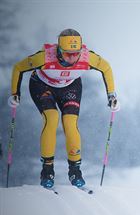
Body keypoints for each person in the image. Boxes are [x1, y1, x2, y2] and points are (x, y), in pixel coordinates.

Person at [8, 28, 120, 188]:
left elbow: (106, 68)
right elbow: (18, 67)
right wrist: (15, 93)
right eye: (68, 54)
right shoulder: (45, 57)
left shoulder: (88, 58)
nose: (73, 58)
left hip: (70, 87)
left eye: (76, 54)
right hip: (42, 85)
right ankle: (47, 170)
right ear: (59, 50)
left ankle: (75, 171)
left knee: (70, 123)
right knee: (52, 119)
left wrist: (111, 95)